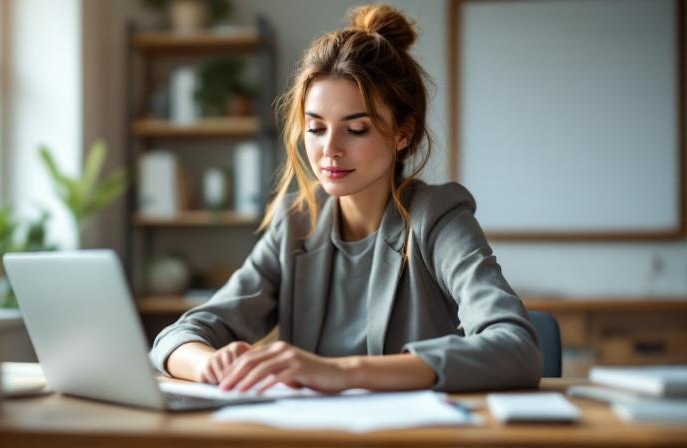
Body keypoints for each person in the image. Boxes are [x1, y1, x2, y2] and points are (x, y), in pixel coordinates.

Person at [151, 4, 542, 393]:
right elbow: (178, 338)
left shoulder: (437, 218)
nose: (329, 150)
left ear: (403, 134)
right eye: (316, 128)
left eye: (356, 129)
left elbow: (516, 348)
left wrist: (345, 372)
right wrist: (210, 365)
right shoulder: (296, 223)